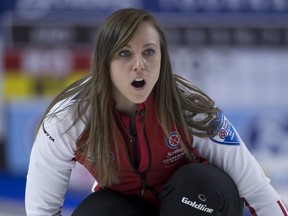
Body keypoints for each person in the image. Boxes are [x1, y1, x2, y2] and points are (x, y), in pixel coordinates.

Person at [25, 8, 288, 216]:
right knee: (95, 211)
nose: (139, 65)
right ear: (104, 62)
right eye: (125, 53)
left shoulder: (188, 107)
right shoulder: (68, 119)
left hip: (200, 201)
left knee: (196, 183)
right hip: (131, 207)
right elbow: (42, 210)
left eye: (149, 52)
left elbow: (258, 192)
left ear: (163, 58)